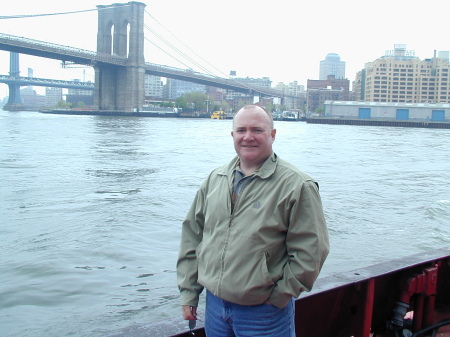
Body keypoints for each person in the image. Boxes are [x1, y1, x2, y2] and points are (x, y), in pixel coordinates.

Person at [177, 104, 329, 336]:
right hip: (215, 307)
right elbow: (193, 235)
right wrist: (189, 292)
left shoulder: (297, 185)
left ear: (273, 134)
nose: (248, 137)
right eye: (241, 130)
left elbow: (311, 251)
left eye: (257, 130)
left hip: (264, 313)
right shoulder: (215, 179)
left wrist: (278, 297)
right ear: (233, 135)